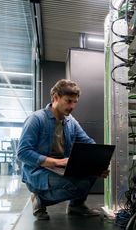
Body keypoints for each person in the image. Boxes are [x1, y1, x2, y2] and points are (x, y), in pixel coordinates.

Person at [17, 79, 108, 220]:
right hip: (38, 171)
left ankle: (76, 206)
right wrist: (56, 162)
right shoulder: (36, 119)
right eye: (68, 101)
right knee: (79, 186)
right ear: (55, 97)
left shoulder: (71, 121)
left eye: (75, 102)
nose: (72, 106)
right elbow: (22, 153)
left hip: (61, 167)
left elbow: (88, 142)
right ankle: (40, 200)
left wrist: (97, 163)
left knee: (91, 174)